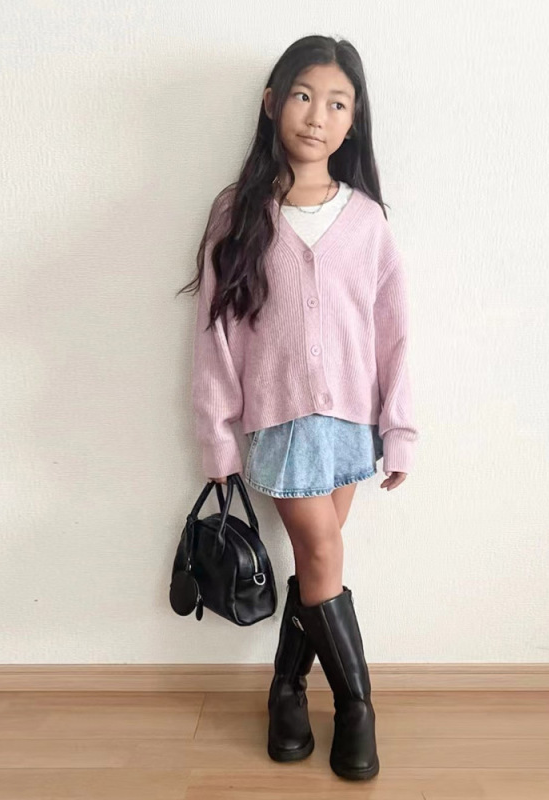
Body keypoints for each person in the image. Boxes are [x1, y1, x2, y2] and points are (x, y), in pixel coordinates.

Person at [177, 35, 419, 782]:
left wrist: (399, 430)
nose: (319, 116)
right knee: (322, 556)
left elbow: (392, 333)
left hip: (351, 422)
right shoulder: (238, 212)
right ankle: (356, 708)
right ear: (273, 102)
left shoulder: (367, 220)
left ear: (354, 122)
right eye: (306, 96)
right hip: (279, 421)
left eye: (339, 104)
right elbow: (214, 334)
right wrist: (217, 438)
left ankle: (286, 692)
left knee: (320, 562)